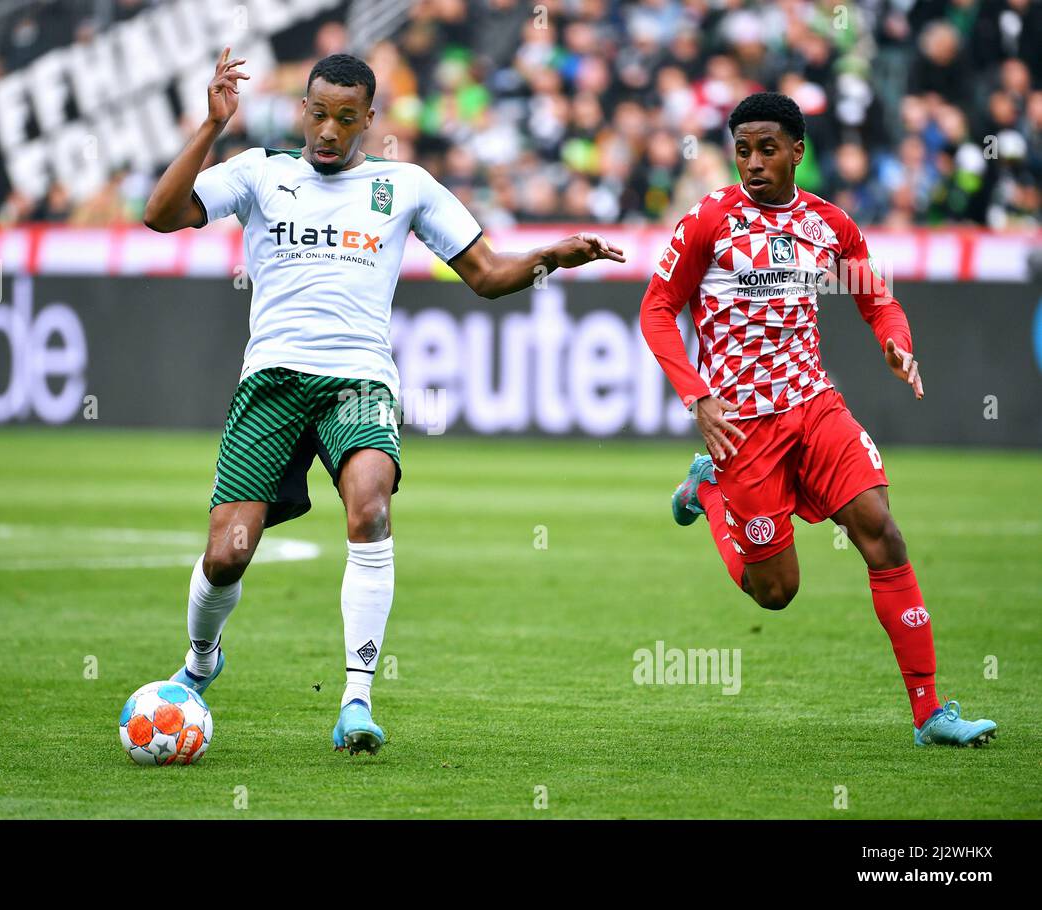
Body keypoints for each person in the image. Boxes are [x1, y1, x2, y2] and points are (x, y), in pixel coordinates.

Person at [144, 49, 624, 755]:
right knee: (227, 556)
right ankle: (199, 664)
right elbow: (161, 216)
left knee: (369, 505)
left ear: (369, 119)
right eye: (318, 113)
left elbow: (487, 276)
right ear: (302, 109)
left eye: (345, 118)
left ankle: (356, 702)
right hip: (272, 382)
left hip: (360, 383)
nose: (329, 131)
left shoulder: (405, 187)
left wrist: (552, 255)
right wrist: (209, 128)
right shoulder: (259, 170)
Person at [639, 92, 996, 748]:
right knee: (776, 592)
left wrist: (897, 341)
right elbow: (657, 309)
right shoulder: (709, 222)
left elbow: (876, 298)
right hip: (742, 426)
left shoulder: (829, 223)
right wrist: (698, 397)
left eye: (767, 149)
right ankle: (709, 491)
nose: (752, 163)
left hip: (814, 407)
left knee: (881, 532)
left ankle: (930, 714)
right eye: (742, 150)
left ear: (797, 151)